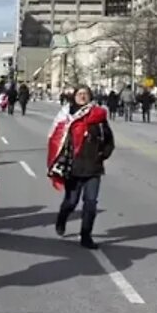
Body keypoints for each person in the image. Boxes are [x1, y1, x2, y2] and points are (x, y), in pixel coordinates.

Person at [47, 87, 114, 250]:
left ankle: (86, 235)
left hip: (93, 168)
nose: (83, 97)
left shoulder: (98, 116)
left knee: (90, 203)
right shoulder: (67, 117)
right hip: (73, 167)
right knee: (71, 202)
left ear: (90, 97)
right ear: (74, 97)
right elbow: (57, 139)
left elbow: (109, 140)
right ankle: (62, 219)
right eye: (79, 94)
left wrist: (101, 155)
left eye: (86, 94)